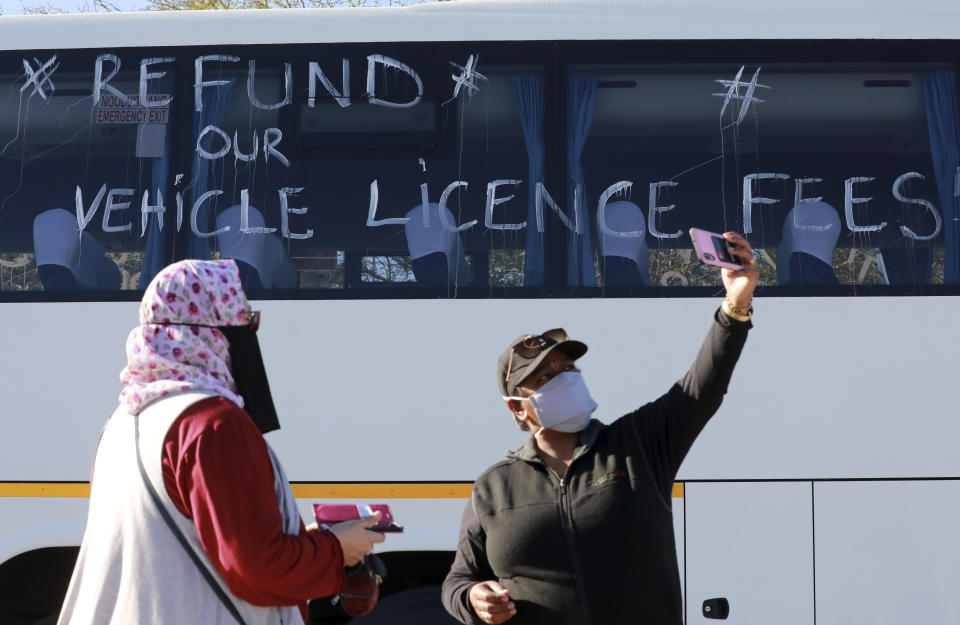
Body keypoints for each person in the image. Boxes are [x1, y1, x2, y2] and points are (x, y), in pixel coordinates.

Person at [441, 232, 759, 625]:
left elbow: (701, 389)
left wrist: (736, 305)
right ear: (517, 408)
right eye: (544, 376)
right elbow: (458, 579)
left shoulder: (639, 444)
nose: (563, 379)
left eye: (568, 369)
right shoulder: (493, 488)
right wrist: (473, 597)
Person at [58, 259, 385, 625]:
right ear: (215, 329)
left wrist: (298, 542)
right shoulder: (213, 424)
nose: (250, 336)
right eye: (247, 322)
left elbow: (185, 539)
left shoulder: (122, 421)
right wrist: (335, 551)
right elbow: (257, 570)